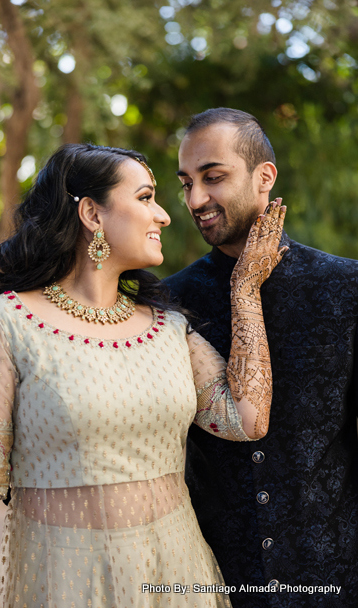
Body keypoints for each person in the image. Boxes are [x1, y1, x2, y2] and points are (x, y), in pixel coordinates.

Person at [0, 143, 287, 608]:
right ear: (92, 213)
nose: (166, 216)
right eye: (146, 197)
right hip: (62, 583)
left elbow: (246, 420)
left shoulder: (167, 328)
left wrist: (246, 291)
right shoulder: (5, 326)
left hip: (177, 579)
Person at [164, 108, 358, 608]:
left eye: (213, 177)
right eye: (186, 183)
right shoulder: (168, 305)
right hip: (214, 584)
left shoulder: (346, 288)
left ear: (263, 176)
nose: (196, 199)